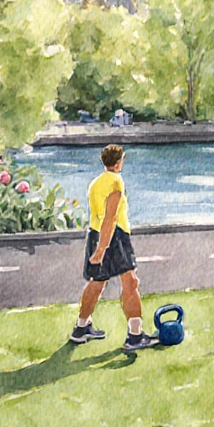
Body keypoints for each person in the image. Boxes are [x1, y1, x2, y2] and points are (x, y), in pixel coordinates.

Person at [70, 144, 158, 351]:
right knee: (130, 282)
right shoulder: (116, 182)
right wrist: (102, 249)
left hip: (95, 234)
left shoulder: (95, 183)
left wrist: (99, 246)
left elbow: (98, 217)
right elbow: (110, 217)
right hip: (114, 236)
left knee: (98, 282)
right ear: (119, 162)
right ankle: (135, 335)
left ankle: (81, 328)